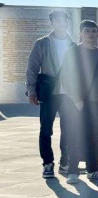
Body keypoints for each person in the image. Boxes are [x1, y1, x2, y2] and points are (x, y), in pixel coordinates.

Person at [59, 20, 98, 184]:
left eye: (93, 31)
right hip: (76, 103)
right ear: (81, 33)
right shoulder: (72, 52)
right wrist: (76, 98)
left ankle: (94, 169)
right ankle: (73, 171)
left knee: (94, 137)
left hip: (96, 102)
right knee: (75, 136)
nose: (90, 34)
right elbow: (66, 77)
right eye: (87, 31)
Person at [26, 9, 75, 178]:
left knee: (68, 129)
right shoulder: (42, 43)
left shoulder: (73, 44)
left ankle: (65, 162)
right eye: (58, 20)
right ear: (52, 23)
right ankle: (47, 163)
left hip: (68, 94)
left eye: (64, 20)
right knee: (46, 129)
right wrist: (32, 90)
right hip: (49, 93)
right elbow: (32, 68)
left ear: (67, 22)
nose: (61, 23)